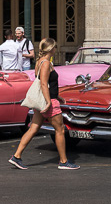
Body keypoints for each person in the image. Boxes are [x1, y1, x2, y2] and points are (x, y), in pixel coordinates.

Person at [8, 36, 79, 171]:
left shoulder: (40, 62)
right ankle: (63, 161)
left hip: (44, 100)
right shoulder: (46, 63)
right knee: (60, 129)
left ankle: (16, 156)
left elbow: (46, 83)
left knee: (33, 128)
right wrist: (49, 102)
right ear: (51, 49)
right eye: (55, 47)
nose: (56, 49)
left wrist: (57, 96)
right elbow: (43, 84)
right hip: (48, 102)